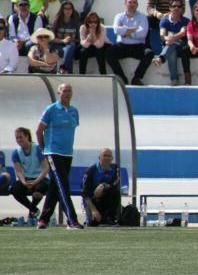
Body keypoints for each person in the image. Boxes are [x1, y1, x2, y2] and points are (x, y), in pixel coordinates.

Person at [35, 82, 82, 229]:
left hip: (67, 153)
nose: (67, 93)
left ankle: (43, 219)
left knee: (56, 187)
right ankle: (72, 220)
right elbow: (38, 131)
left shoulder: (74, 111)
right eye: (64, 91)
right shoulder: (51, 110)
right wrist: (44, 149)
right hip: (53, 152)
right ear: (59, 93)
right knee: (63, 185)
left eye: (69, 91)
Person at [108, 0, 153, 86]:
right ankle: (122, 78)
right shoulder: (119, 16)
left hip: (137, 46)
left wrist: (125, 32)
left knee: (149, 53)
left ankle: (136, 78)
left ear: (137, 4)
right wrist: (133, 29)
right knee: (109, 52)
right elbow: (116, 30)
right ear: (125, 4)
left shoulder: (142, 17)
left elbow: (143, 33)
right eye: (129, 2)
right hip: (122, 45)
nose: (132, 4)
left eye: (134, 2)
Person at [10, 126, 49, 221]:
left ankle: (32, 212)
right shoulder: (16, 152)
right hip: (26, 179)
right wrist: (24, 182)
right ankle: (33, 209)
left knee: (39, 190)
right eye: (17, 138)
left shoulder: (38, 149)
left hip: (40, 179)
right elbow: (18, 171)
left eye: (21, 137)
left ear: (27, 136)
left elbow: (46, 168)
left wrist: (36, 181)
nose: (19, 140)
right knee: (14, 189)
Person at [152, 0, 189, 85]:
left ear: (182, 8)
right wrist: (167, 39)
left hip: (181, 46)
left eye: (179, 6)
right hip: (168, 45)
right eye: (174, 6)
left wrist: (172, 38)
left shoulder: (186, 21)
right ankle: (174, 80)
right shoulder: (164, 20)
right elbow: (162, 35)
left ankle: (161, 59)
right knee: (171, 49)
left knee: (172, 45)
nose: (176, 8)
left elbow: (182, 33)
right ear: (170, 8)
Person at [81, 148, 121, 226]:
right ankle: (95, 217)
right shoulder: (90, 171)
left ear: (112, 158)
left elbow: (114, 184)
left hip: (105, 198)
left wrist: (103, 185)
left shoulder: (115, 169)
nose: (107, 158)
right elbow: (85, 194)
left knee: (115, 192)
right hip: (92, 200)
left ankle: (110, 218)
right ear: (99, 157)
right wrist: (94, 210)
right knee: (92, 223)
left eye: (109, 156)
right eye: (104, 156)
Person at [50, 1, 80, 74]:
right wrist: (63, 41)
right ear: (62, 10)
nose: (68, 11)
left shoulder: (76, 22)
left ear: (72, 10)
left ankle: (63, 68)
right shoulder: (56, 21)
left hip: (71, 46)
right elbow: (51, 38)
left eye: (70, 9)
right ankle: (69, 73)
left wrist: (72, 39)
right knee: (69, 51)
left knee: (70, 47)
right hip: (58, 46)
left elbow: (79, 39)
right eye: (65, 8)